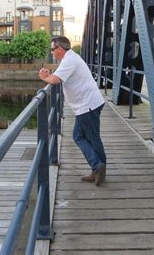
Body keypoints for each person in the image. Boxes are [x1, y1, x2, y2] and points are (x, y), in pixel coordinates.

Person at [38, 36, 107, 186]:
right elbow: (58, 76)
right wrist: (50, 74)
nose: (51, 52)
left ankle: (98, 168)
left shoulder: (69, 60)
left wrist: (45, 77)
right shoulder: (69, 59)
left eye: (52, 49)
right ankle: (97, 169)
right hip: (87, 105)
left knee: (88, 138)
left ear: (60, 49)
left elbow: (55, 80)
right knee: (82, 137)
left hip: (88, 105)